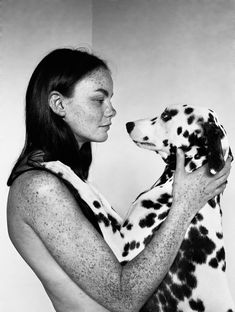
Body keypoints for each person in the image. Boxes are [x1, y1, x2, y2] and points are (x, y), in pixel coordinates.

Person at [7, 48, 231, 312]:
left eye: (110, 99)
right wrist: (183, 207)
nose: (111, 110)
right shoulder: (40, 187)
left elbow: (124, 254)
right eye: (98, 100)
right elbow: (124, 298)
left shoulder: (61, 178)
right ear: (58, 104)